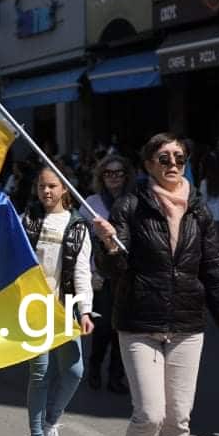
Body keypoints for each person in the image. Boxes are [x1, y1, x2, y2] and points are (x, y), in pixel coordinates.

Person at [93, 133, 219, 436]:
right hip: (138, 322)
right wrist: (110, 244)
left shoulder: (199, 209)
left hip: (186, 325)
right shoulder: (130, 206)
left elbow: (214, 270)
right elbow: (113, 269)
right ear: (148, 165)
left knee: (179, 418)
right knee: (150, 414)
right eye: (163, 158)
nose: (172, 163)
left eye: (179, 156)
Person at [21, 166, 94, 436]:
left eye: (52, 186)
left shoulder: (78, 226)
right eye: (41, 186)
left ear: (65, 189)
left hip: (66, 310)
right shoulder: (28, 220)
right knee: (40, 373)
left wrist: (85, 310)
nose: (46, 192)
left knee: (74, 371)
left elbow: (82, 272)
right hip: (35, 309)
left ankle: (51, 424)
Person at [80, 155, 136, 394]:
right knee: (102, 328)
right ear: (101, 176)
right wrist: (91, 271)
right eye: (108, 173)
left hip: (128, 274)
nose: (114, 177)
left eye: (119, 172)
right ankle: (94, 367)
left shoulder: (136, 201)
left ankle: (116, 375)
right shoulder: (90, 204)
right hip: (101, 274)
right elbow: (84, 243)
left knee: (122, 330)